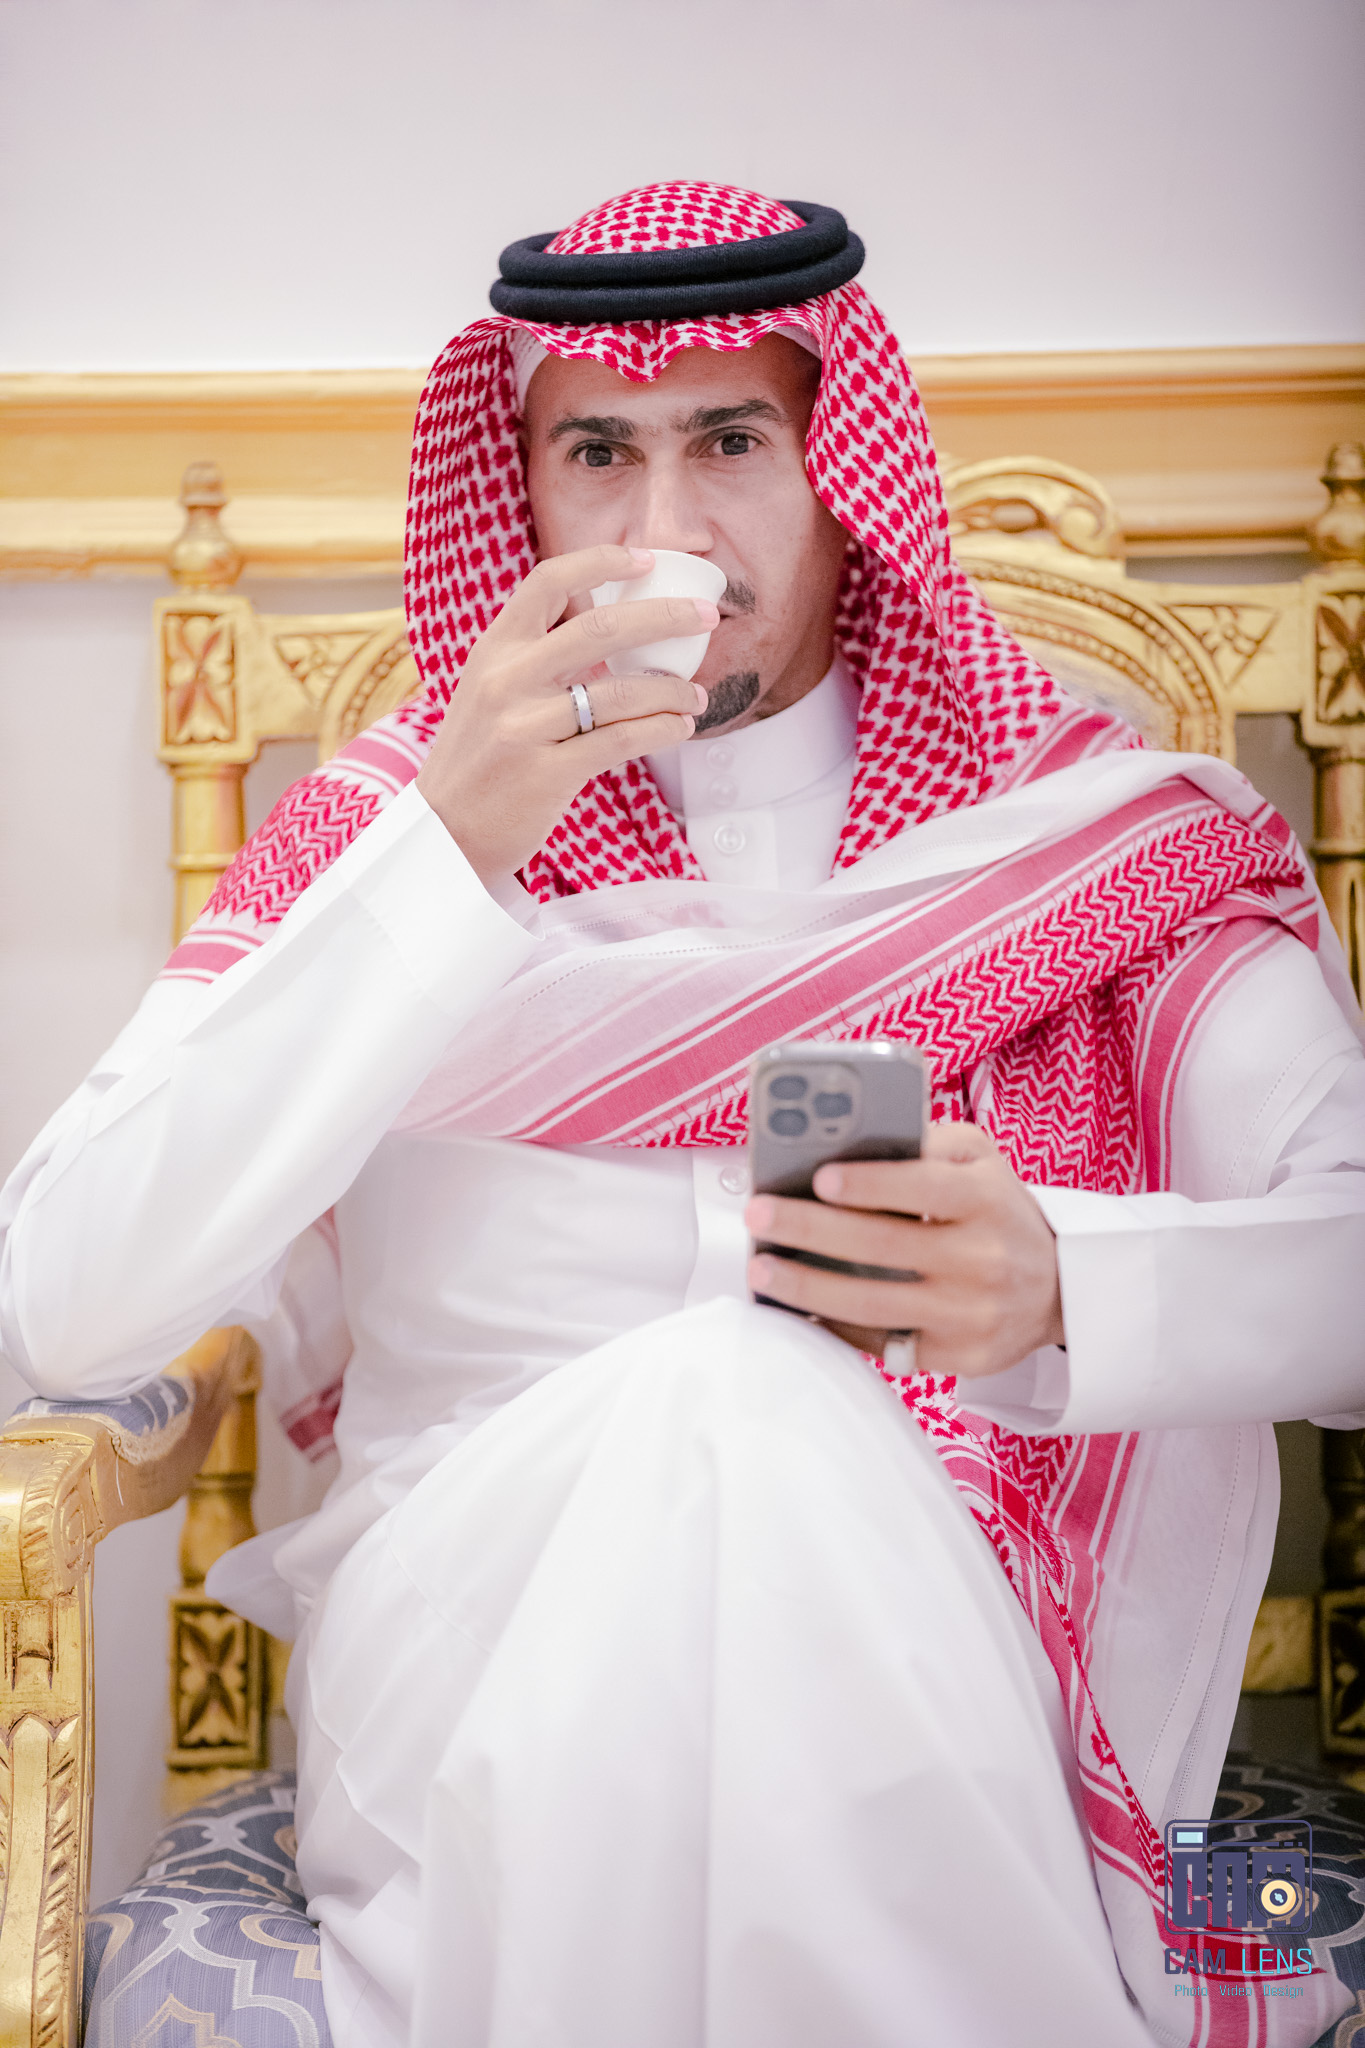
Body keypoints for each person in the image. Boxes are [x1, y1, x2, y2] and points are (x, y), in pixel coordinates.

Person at [1, 182, 1363, 2048]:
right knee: (718, 1407)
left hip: (954, 1653)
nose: (662, 533)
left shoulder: (1068, 838)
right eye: (597, 453)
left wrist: (1065, 1283)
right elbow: (65, 1305)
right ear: (522, 490)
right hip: (467, 1662)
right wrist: (449, 859)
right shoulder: (388, 837)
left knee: (748, 1416)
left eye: (727, 441)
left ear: (836, 473)